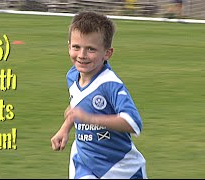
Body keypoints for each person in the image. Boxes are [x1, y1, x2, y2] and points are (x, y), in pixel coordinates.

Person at [50, 11, 147, 179]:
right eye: (76, 47)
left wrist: (90, 118)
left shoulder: (110, 85)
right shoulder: (72, 76)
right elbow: (77, 105)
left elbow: (134, 123)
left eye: (91, 49)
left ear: (107, 53)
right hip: (85, 162)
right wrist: (64, 129)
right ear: (68, 46)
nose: (82, 55)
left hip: (121, 168)